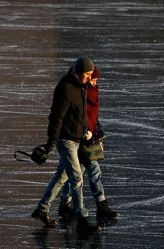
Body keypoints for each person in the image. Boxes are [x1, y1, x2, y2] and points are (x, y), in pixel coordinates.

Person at [31, 56, 101, 233]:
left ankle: (42, 209)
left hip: (77, 139)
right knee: (76, 178)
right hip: (65, 140)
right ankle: (82, 218)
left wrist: (86, 131)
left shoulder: (81, 86)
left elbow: (82, 112)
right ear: (78, 72)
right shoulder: (65, 88)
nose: (89, 78)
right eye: (87, 74)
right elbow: (56, 117)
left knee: (61, 177)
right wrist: (50, 144)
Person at [57, 65, 120, 223]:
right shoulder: (81, 93)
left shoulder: (91, 92)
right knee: (78, 173)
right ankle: (96, 204)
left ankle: (68, 202)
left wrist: (97, 138)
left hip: (89, 139)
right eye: (92, 79)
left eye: (96, 79)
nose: (94, 82)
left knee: (80, 173)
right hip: (78, 138)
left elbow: (94, 119)